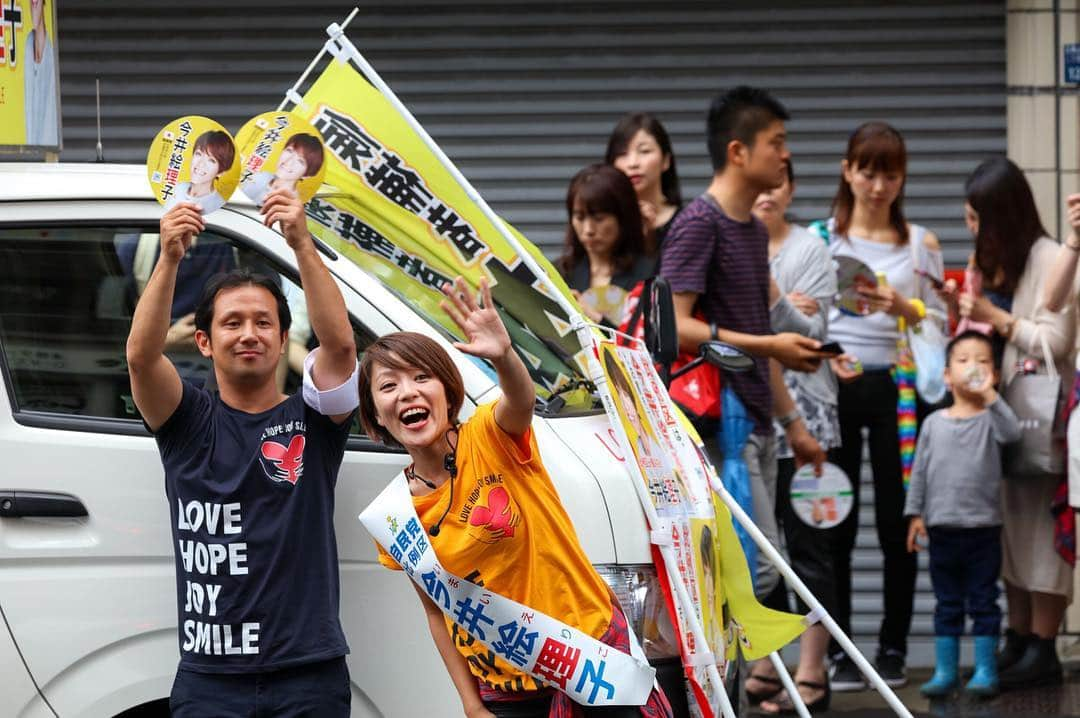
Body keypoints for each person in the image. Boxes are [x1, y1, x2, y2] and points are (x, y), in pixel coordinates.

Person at [359, 278, 672, 718]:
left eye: (421, 377)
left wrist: (504, 357)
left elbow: (520, 399)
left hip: (589, 661)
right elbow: (436, 616)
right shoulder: (393, 517)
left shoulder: (490, 435)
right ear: (374, 412)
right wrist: (471, 705)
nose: (407, 392)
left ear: (448, 393)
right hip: (505, 693)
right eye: (388, 386)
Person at [126, 189, 360, 717]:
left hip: (308, 674)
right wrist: (169, 256)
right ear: (204, 342)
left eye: (263, 323)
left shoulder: (315, 418)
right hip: (210, 678)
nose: (248, 334)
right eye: (232, 323)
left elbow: (342, 349)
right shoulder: (186, 421)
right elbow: (141, 357)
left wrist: (301, 243)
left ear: (282, 340)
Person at [660, 86, 829, 608]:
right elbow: (673, 326)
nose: (786, 154)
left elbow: (757, 333)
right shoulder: (698, 225)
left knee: (749, 573)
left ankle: (726, 686)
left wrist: (794, 425)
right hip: (715, 424)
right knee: (751, 574)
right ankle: (714, 684)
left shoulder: (751, 231)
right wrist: (771, 345)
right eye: (776, 142)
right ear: (738, 151)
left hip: (755, 421)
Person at [815, 122, 946, 692]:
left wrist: (905, 305)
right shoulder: (820, 239)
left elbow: (941, 323)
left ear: (902, 178)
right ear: (847, 170)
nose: (877, 184)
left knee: (900, 520)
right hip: (834, 386)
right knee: (834, 519)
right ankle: (843, 654)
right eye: (867, 170)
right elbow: (803, 313)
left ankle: (892, 648)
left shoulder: (921, 244)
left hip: (899, 389)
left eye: (889, 172)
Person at [940, 158, 1076, 689]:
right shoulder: (995, 263)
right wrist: (961, 313)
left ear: (1005, 216)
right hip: (997, 415)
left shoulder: (1050, 258)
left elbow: (1056, 343)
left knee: (1042, 530)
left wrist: (995, 317)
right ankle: (1018, 639)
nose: (972, 230)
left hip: (1042, 415)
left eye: (979, 220)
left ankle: (1044, 647)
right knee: (1008, 530)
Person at [747, 160, 841, 714]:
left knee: (809, 546)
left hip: (809, 419)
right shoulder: (731, 242)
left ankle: (812, 668)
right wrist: (782, 308)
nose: (766, 193)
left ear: (791, 189)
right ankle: (769, 659)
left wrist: (772, 297)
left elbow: (812, 338)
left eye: (777, 183)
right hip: (753, 417)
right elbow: (768, 327)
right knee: (764, 546)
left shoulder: (812, 250)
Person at [905, 330, 1021, 698]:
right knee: (947, 603)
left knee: (984, 600)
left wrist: (989, 395)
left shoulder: (992, 420)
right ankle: (945, 671)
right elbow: (919, 471)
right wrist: (915, 514)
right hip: (941, 529)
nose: (973, 367)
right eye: (963, 360)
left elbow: (1014, 432)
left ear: (996, 375)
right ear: (946, 375)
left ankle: (985, 670)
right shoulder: (932, 423)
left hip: (983, 529)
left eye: (983, 361)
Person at [556, 164, 656, 327]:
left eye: (599, 218)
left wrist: (596, 318)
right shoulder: (561, 272)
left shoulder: (648, 275)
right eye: (579, 217)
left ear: (623, 218)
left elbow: (645, 345)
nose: (588, 230)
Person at [605, 113, 683, 246]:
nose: (633, 163)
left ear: (666, 160)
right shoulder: (603, 226)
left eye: (644, 151)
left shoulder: (686, 224)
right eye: (622, 153)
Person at [242, 133, 325, 207]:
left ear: (306, 175)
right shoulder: (261, 177)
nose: (288, 161)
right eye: (289, 151)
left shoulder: (292, 206)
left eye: (300, 161)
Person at [165, 131, 237, 214]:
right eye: (198, 154)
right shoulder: (178, 188)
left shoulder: (219, 205)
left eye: (211, 160)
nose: (201, 164)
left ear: (221, 172)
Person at [23, 0, 58, 147]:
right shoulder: (28, 44)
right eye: (31, 3)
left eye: (36, 1)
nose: (33, 6)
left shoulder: (51, 54)